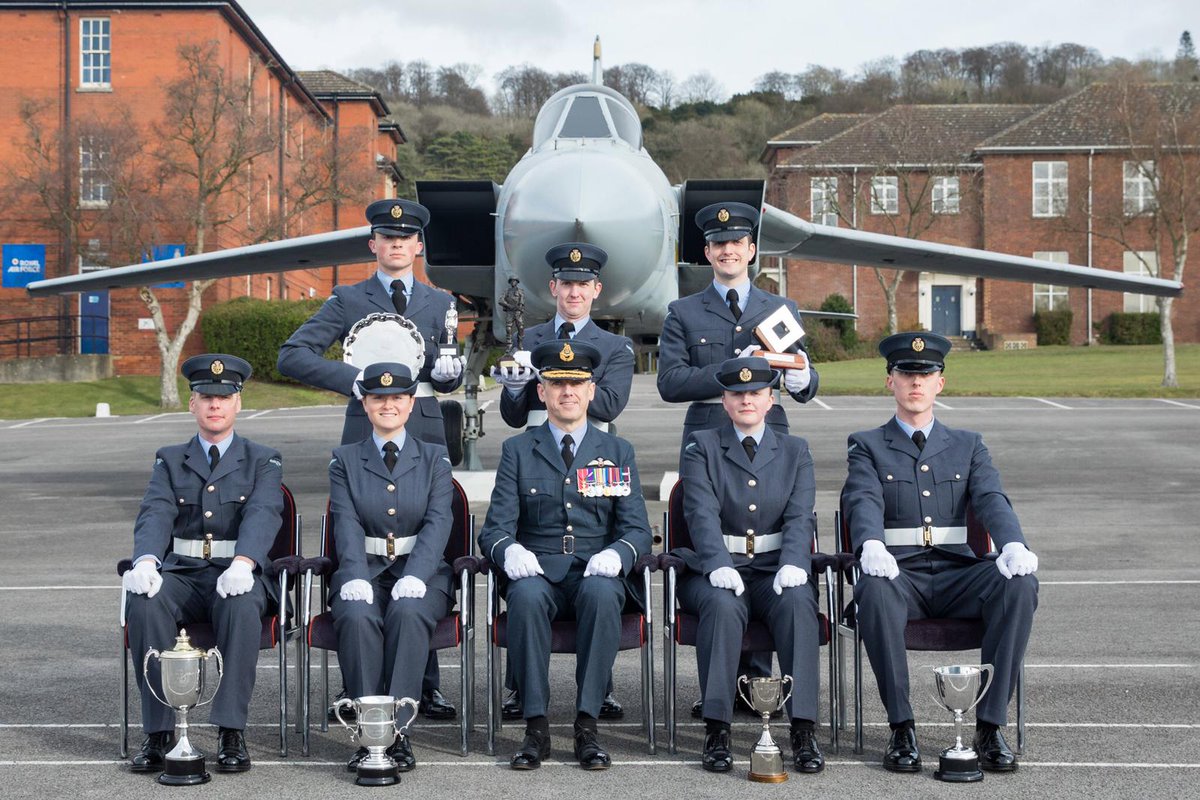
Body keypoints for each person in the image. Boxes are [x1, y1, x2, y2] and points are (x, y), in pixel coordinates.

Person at [277, 198, 458, 720]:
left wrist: (450, 375)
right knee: (361, 541)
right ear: (373, 244)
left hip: (423, 427)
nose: (397, 244)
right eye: (387, 236)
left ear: (418, 246)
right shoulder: (348, 298)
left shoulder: (441, 301)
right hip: (365, 424)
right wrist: (353, 379)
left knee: (421, 547)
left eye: (406, 238)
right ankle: (357, 681)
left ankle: (422, 684)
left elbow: (447, 370)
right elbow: (292, 354)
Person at [843, 332, 1039, 774]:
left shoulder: (968, 444)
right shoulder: (866, 444)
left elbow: (990, 498)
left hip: (958, 573)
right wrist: (870, 542)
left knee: (1019, 585)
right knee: (873, 589)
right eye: (906, 373)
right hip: (901, 574)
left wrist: (1012, 543)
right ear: (889, 381)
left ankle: (989, 727)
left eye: (926, 374)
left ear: (940, 384)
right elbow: (862, 498)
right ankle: (901, 727)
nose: (916, 382)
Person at [657, 200, 821, 713]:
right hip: (708, 436)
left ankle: (759, 683)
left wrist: (803, 377)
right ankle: (721, 686)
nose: (728, 251)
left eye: (737, 243)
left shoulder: (781, 308)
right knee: (716, 551)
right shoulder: (683, 312)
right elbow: (670, 382)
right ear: (707, 253)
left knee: (762, 545)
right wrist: (732, 370)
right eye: (718, 244)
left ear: (751, 250)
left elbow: (805, 380)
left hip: (769, 435)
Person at [477, 339, 653, 771]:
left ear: (592, 391)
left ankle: (587, 726)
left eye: (576, 383)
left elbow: (637, 529)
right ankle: (535, 728)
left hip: (596, 568)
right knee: (525, 596)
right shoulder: (518, 450)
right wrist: (509, 550)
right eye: (557, 383)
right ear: (542, 391)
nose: (567, 392)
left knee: (602, 593)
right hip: (538, 569)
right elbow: (494, 530)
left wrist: (619, 553)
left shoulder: (617, 451)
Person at [492, 242, 635, 721]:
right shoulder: (526, 337)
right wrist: (518, 388)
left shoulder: (613, 347)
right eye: (566, 284)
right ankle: (522, 690)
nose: (574, 292)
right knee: (530, 557)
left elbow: (610, 403)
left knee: (597, 556)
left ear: (597, 290)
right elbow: (514, 416)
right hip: (534, 449)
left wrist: (560, 385)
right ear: (553, 287)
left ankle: (599, 691)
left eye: (583, 285)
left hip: (596, 454)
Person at [123, 354, 283, 775]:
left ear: (238, 404)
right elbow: (156, 512)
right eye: (206, 397)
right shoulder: (169, 458)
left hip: (236, 572)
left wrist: (244, 562)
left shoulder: (263, 458)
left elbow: (264, 513)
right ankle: (159, 731)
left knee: (240, 604)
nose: (215, 404)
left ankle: (231, 730)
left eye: (224, 397)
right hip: (184, 573)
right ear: (192, 404)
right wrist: (146, 561)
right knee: (144, 603)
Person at [673, 356, 825, 774]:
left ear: (771, 399)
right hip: (716, 568)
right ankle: (717, 728)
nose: (746, 400)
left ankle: (803, 729)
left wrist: (794, 561)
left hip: (775, 567)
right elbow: (699, 512)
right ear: (724, 400)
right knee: (722, 606)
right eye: (737, 394)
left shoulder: (795, 450)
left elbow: (800, 515)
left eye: (756, 393)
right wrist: (716, 562)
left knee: (798, 604)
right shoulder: (701, 446)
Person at [328, 362, 455, 773]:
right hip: (363, 569)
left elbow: (439, 521)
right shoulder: (344, 459)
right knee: (357, 616)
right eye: (378, 398)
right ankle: (370, 733)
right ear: (364, 404)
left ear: (411, 402)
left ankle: (397, 733)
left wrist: (417, 573)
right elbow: (345, 522)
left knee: (408, 612)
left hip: (422, 573)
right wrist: (353, 574)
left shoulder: (435, 458)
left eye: (398, 397)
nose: (388, 405)